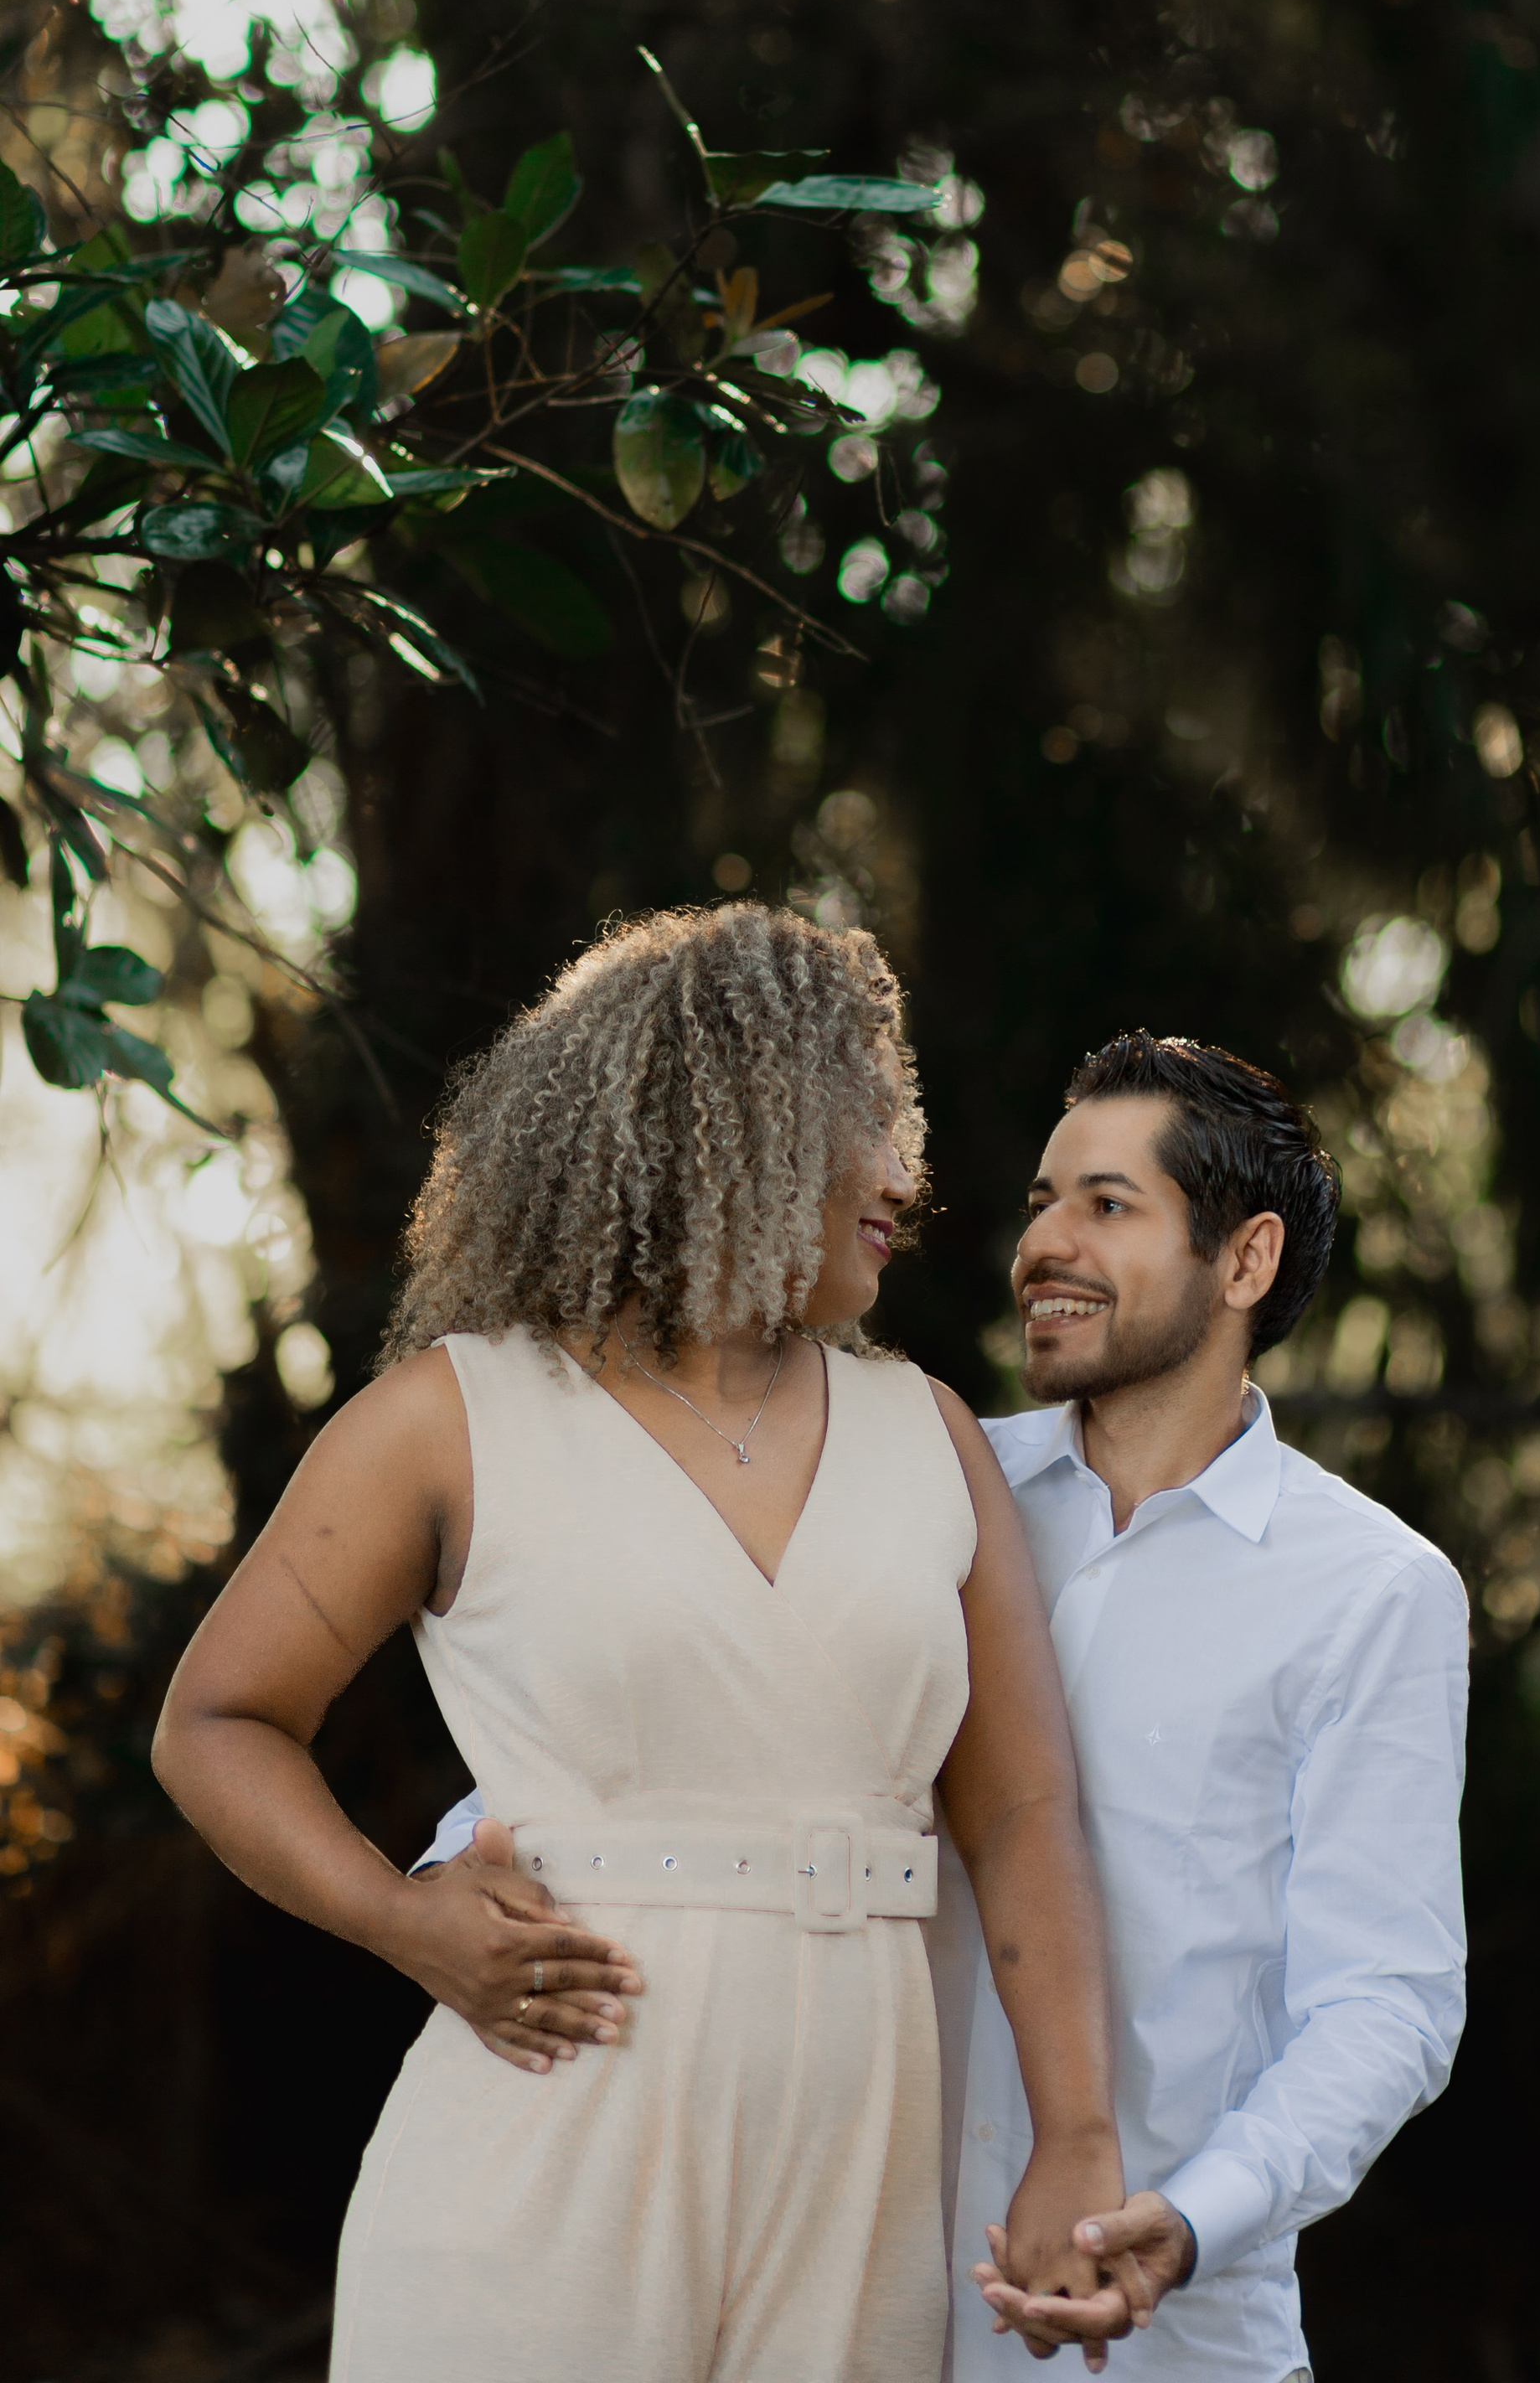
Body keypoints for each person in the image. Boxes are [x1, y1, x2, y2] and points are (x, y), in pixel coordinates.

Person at [152, 905, 1124, 2383]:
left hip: (857, 2168)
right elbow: (216, 1723)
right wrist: (400, 1915)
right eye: (871, 1120)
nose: (908, 1176)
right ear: (741, 1124)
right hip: (552, 2128)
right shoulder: (450, 1417)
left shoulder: (925, 1431)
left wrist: (1076, 2134)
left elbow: (1024, 1809)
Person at [421, 1028, 1469, 2380]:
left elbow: (1386, 2002)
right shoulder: (907, 1481)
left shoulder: (1374, 1591)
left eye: (1108, 1205)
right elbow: (681, 1723)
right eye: (1042, 1202)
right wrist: (458, 1866)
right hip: (844, 2298)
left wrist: (1199, 2218)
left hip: (1166, 2340)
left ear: (1246, 1262)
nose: (1044, 1245)